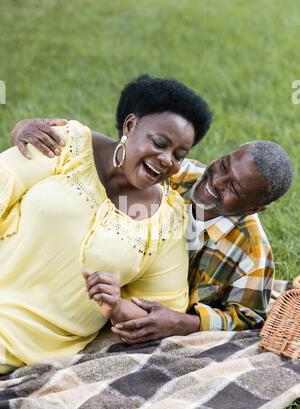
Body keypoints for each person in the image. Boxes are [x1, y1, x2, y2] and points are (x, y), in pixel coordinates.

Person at [12, 117, 293, 345]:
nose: (216, 181)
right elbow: (110, 153)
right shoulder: (174, 175)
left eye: (233, 187)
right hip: (91, 282)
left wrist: (189, 323)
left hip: (144, 304)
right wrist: (39, 130)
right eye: (223, 165)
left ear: (256, 208)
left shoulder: (253, 254)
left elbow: (248, 317)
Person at [0, 75, 212, 373]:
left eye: (179, 154)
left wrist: (117, 306)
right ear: (130, 126)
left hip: (35, 344)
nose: (167, 160)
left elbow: (161, 315)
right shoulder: (64, 145)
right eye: (160, 143)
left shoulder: (167, 221)